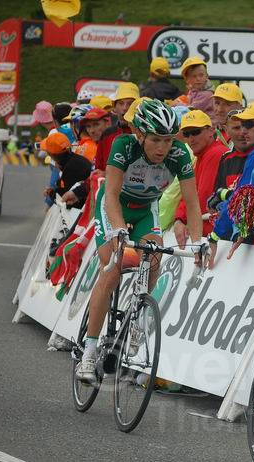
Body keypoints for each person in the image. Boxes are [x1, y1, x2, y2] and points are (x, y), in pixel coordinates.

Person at [76, 100, 204, 381]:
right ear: (141, 135)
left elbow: (193, 203)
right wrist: (119, 231)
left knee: (154, 257)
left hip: (147, 210)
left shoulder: (180, 154)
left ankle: (136, 314)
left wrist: (198, 241)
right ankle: (89, 351)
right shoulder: (123, 146)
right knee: (111, 270)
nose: (162, 148)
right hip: (115, 207)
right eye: (156, 140)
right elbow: (110, 194)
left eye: (168, 140)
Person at [209, 102, 254, 258]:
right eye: (241, 125)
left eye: (249, 124)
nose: (244, 130)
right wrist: (225, 195)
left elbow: (239, 200)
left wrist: (215, 235)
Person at [173, 110, 228, 246]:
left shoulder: (215, 153)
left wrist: (181, 219)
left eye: (196, 132)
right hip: (206, 231)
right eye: (186, 134)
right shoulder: (203, 154)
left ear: (210, 131)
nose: (191, 138)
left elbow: (202, 197)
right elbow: (190, 194)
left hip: (211, 234)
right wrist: (179, 219)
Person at [40, 132, 92, 209]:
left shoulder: (71, 168)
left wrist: (51, 193)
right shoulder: (75, 160)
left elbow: (67, 201)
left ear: (52, 155)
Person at [211, 83, 245, 148]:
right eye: (217, 103)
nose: (220, 109)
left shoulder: (245, 136)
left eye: (227, 104)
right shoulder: (211, 132)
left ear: (239, 107)